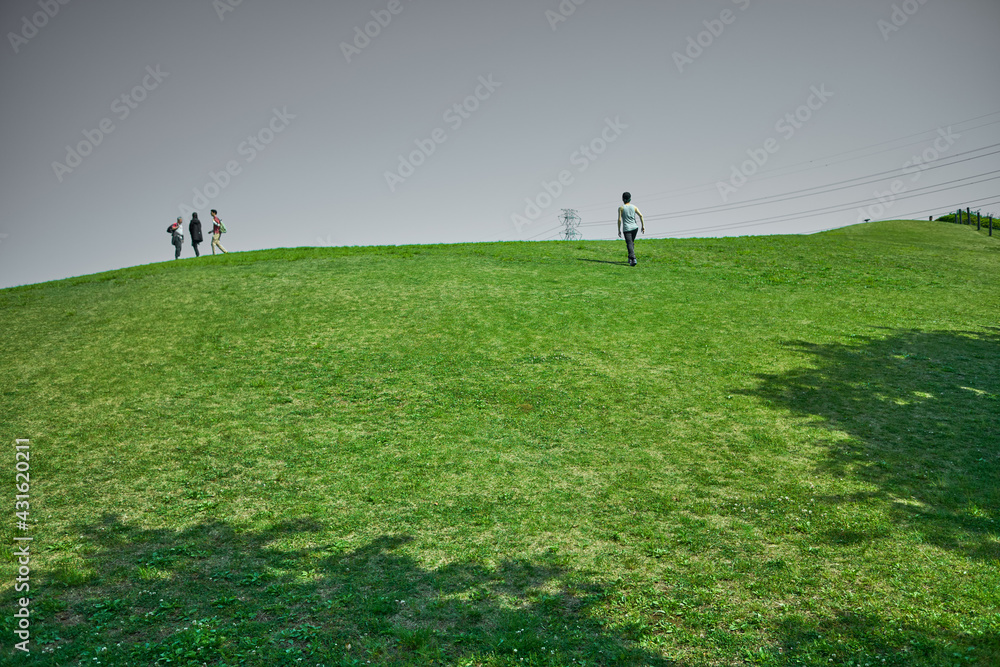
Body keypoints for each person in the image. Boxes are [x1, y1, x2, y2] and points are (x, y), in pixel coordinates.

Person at [617, 192, 645, 266]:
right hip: (635, 228)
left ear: (622, 199)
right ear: (630, 199)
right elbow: (641, 215)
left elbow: (619, 219)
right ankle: (629, 258)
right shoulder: (634, 207)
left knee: (629, 243)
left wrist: (619, 230)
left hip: (627, 228)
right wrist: (643, 226)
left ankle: (633, 258)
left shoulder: (621, 208)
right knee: (631, 243)